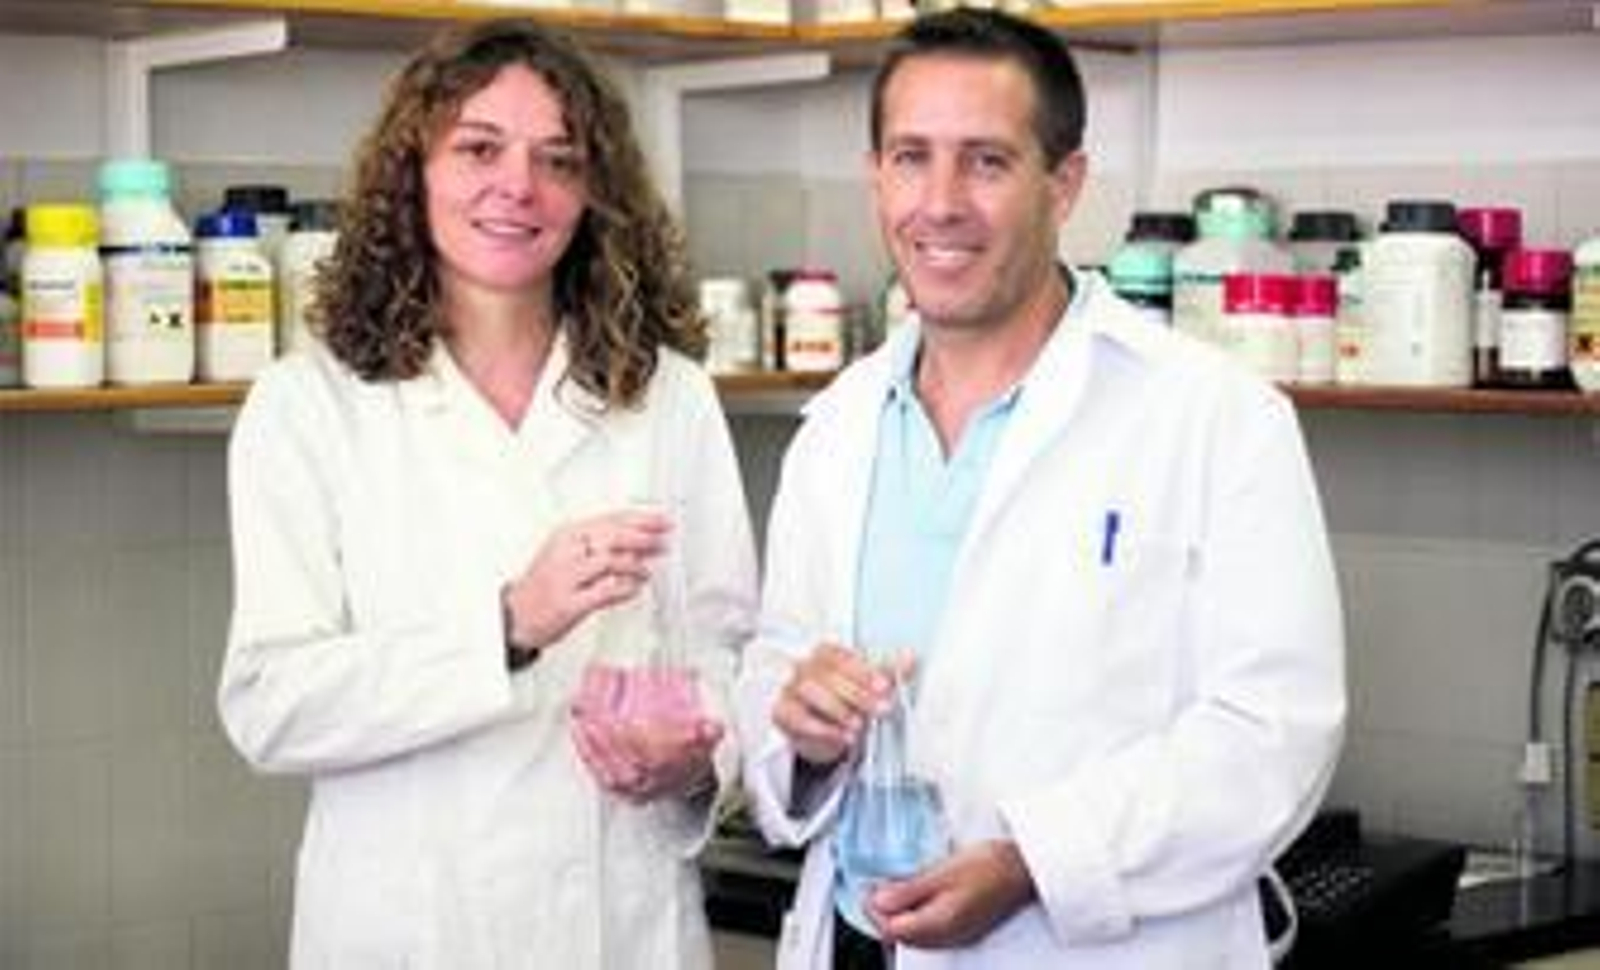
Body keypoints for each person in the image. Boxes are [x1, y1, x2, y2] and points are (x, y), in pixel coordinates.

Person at [734, 9, 1345, 969]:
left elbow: (1271, 737)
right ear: (875, 175)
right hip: (856, 942)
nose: (939, 203)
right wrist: (801, 732)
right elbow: (776, 666)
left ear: (1064, 184)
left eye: (985, 161)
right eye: (910, 157)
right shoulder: (839, 426)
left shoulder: (1215, 418)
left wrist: (1034, 862)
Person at [218, 18, 757, 968]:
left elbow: (731, 654)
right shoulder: (310, 405)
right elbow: (271, 704)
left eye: (559, 159)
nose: (519, 186)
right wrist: (507, 624)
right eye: (478, 148)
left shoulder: (668, 395)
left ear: (594, 195)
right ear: (411, 171)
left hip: (617, 927)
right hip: (408, 930)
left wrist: (694, 759)